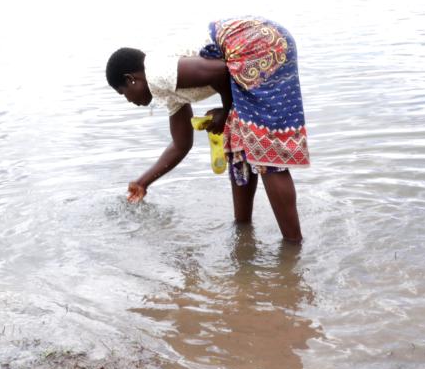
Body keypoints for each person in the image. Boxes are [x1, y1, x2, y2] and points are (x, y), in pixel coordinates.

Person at [105, 16, 309, 241]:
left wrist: (225, 111)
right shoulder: (167, 90)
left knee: (265, 151)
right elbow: (181, 144)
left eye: (123, 93)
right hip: (256, 45)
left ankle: (293, 246)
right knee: (238, 142)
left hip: (257, 44)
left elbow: (220, 71)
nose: (128, 100)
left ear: (131, 79)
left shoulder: (158, 72)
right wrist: (143, 183)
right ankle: (242, 232)